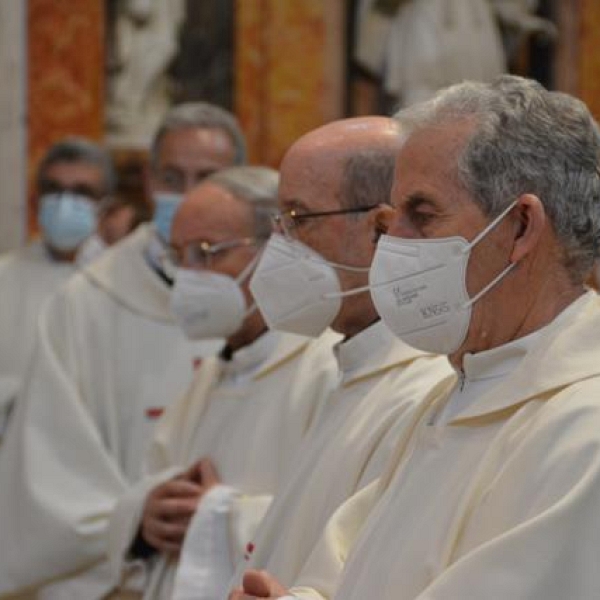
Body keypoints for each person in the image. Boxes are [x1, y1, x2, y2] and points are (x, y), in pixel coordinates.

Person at [235, 75, 600, 600]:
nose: (391, 241)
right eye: (391, 217)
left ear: (521, 226)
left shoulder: (580, 431)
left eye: (421, 214)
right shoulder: (459, 393)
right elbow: (351, 566)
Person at [199, 118, 452, 600]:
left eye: (297, 218)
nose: (279, 244)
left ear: (381, 228)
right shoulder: (355, 369)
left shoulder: (422, 389)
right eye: (278, 221)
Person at [0, 102, 245, 598]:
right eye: (172, 176)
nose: (188, 191)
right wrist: (133, 518)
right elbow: (49, 464)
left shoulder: (263, 298)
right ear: (150, 183)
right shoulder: (86, 302)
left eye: (207, 176)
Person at [106, 166, 340, 599]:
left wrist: (218, 516)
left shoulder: (326, 368)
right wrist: (147, 515)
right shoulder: (213, 373)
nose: (188, 275)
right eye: (180, 257)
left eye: (206, 251)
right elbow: (154, 480)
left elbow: (338, 531)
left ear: (276, 249)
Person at [0, 137, 116, 438]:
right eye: (54, 190)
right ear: (34, 201)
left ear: (105, 207)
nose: (66, 202)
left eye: (82, 192)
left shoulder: (123, 282)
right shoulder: (5, 277)